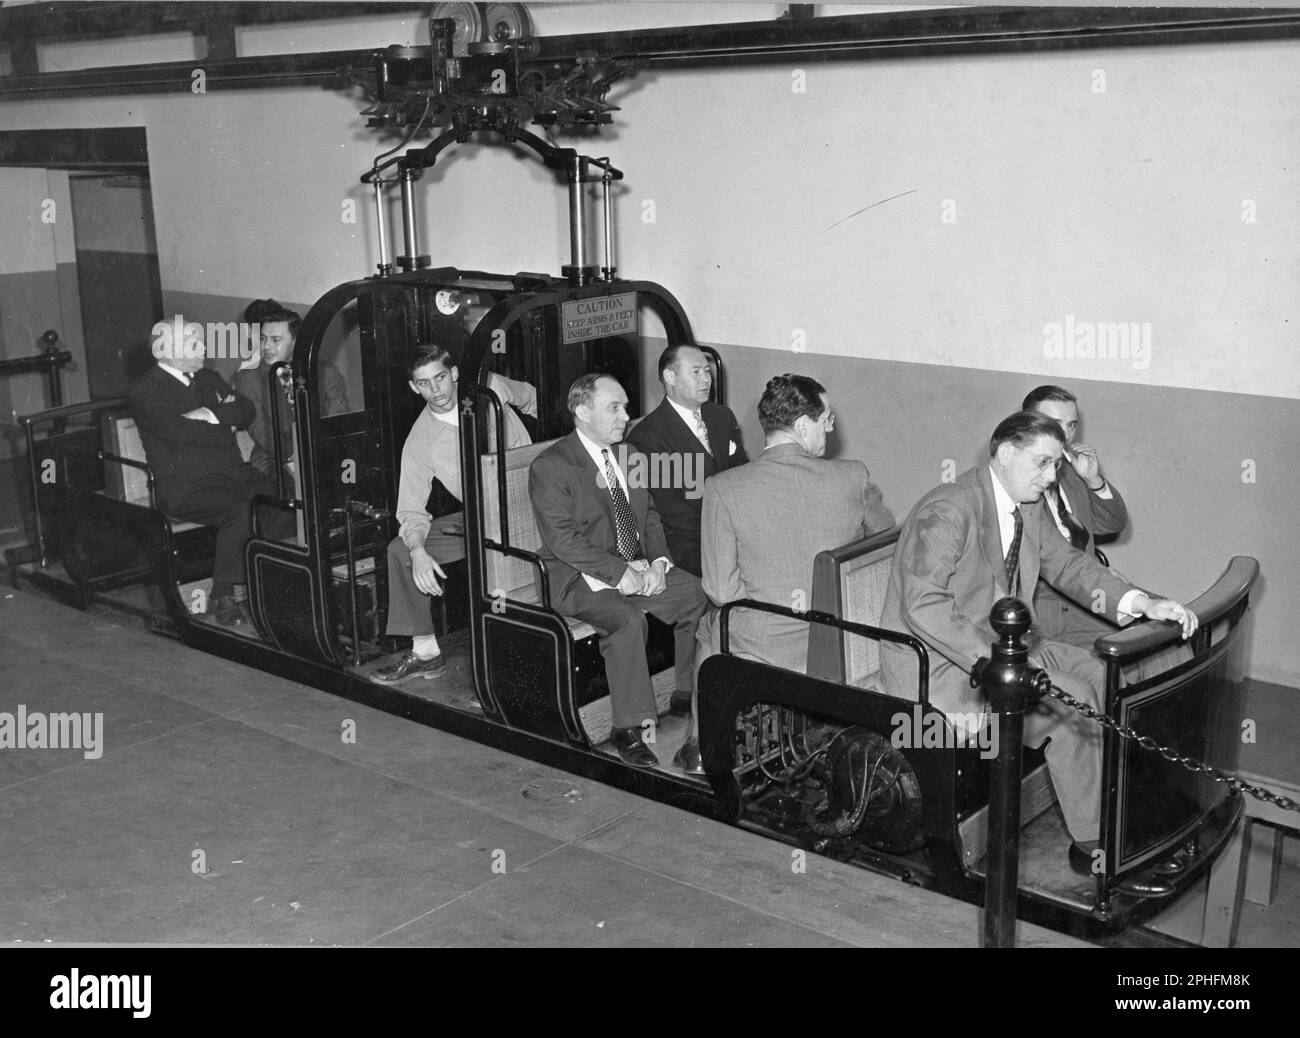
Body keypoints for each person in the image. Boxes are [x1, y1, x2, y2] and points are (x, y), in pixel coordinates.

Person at [878, 411, 1198, 896]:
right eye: (1043, 463)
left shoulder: (1025, 506)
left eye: (1055, 465)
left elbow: (1070, 565)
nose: (1052, 476)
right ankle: (1097, 848)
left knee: (1105, 677)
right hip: (944, 668)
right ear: (1006, 453)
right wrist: (991, 667)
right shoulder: (948, 509)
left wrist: (1142, 602)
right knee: (1073, 706)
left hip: (1014, 649)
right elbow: (922, 604)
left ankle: (1115, 815)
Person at [528, 373, 708, 768]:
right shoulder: (552, 466)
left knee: (696, 594)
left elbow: (651, 518)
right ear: (581, 411)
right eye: (615, 407)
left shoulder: (630, 456)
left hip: (634, 567)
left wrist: (659, 562)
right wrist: (620, 573)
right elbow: (563, 540)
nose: (625, 416)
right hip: (576, 576)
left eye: (626, 406)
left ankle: (683, 693)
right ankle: (629, 729)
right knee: (626, 619)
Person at [373, 345, 536, 683]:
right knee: (400, 550)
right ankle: (426, 652)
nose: (436, 390)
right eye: (424, 383)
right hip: (482, 517)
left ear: (455, 374)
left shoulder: (491, 385)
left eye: (441, 378)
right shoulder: (420, 440)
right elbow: (411, 509)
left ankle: (515, 662)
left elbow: (536, 398)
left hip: (535, 501)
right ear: (413, 387)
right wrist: (417, 551)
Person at [128, 319, 295, 626]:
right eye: (195, 344)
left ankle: (261, 575)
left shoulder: (207, 377)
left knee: (286, 496)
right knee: (239, 510)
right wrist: (222, 422)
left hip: (233, 473)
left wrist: (207, 414)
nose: (204, 348)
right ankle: (222, 594)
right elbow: (177, 434)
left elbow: (246, 411)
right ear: (167, 351)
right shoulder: (145, 389)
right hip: (186, 486)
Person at [626, 343, 748, 580]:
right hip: (690, 546)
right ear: (669, 377)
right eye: (696, 372)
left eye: (707, 371)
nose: (706, 380)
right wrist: (729, 543)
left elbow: (743, 477)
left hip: (735, 534)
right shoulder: (647, 438)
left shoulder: (722, 416)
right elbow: (673, 514)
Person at [1022, 385, 1129, 649]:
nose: (1064, 435)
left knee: (1166, 633)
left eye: (1071, 425)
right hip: (1048, 604)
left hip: (1088, 589)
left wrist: (1094, 481)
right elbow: (1053, 561)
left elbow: (1111, 523)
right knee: (1142, 644)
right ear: (1026, 425)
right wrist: (1100, 576)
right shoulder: (1018, 482)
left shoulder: (1070, 471)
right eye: (1053, 424)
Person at [233, 300, 349, 482]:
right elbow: (261, 431)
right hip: (275, 457)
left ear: (295, 341)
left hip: (323, 451)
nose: (266, 347)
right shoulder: (247, 379)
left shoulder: (327, 372)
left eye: (275, 340)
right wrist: (296, 456)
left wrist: (319, 454)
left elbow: (338, 419)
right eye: (263, 338)